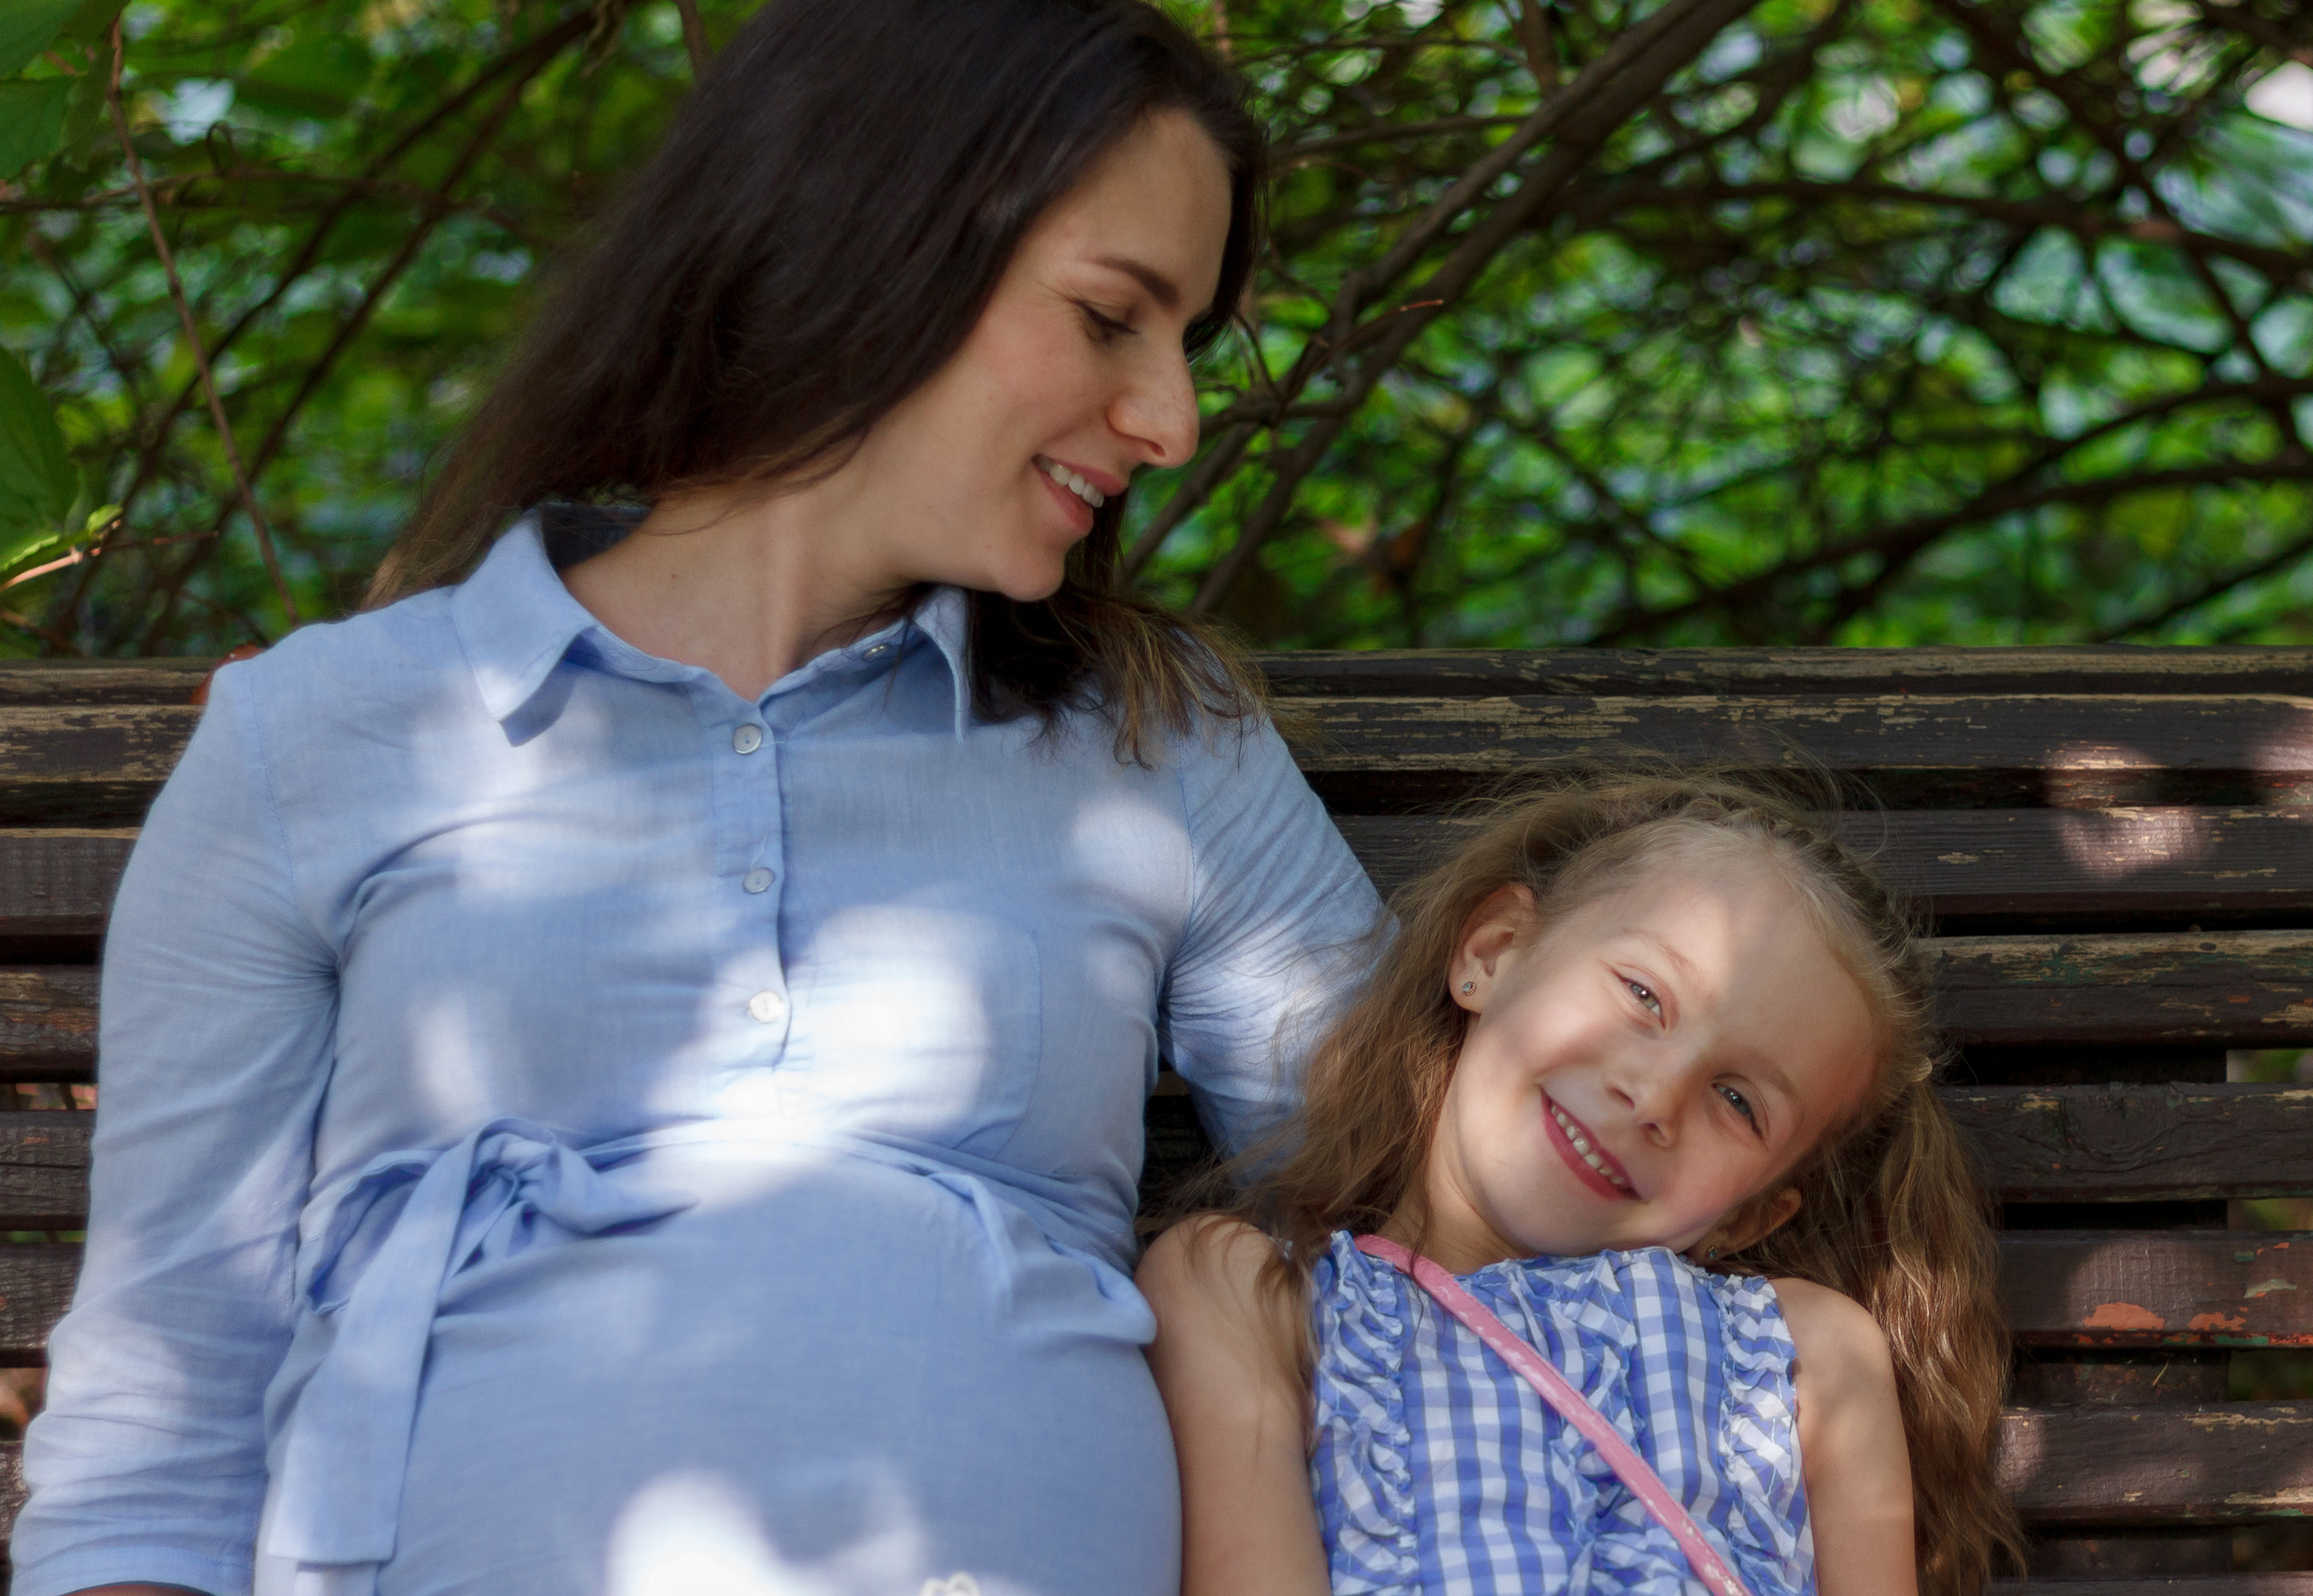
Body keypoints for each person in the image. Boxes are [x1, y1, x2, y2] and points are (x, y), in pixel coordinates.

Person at [13, 4, 1383, 1594]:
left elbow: (1435, 1245)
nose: (1174, 421)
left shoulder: (1157, 742)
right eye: (1110, 318)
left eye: (1183, 345)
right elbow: (154, 1454)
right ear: (873, 241)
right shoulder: (318, 734)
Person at [1140, 773, 2026, 1596]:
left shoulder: (1803, 1356)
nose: (1654, 1095)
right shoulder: (1248, 1294)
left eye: (1737, 1100)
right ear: (1494, 950)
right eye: (1644, 994)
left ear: (1749, 1214)